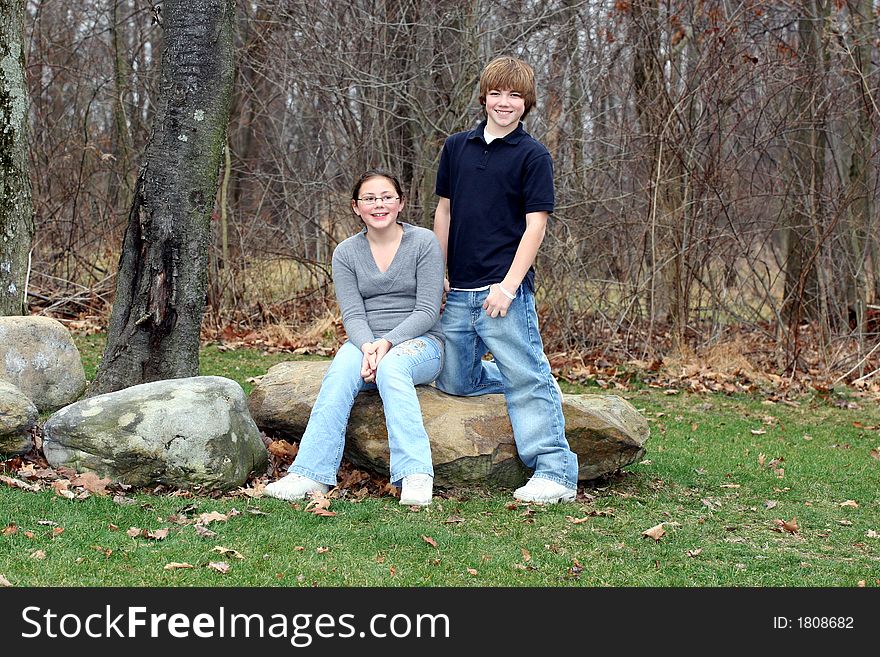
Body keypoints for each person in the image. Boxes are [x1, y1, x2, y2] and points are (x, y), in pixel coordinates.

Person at [433, 55, 579, 504]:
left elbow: (536, 226)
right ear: (484, 97)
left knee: (526, 379)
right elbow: (444, 211)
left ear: (526, 103)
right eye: (496, 93)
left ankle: (555, 471)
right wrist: (439, 272)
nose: (504, 102)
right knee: (455, 382)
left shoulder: (533, 155)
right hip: (458, 290)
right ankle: (532, 373)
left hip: (502, 291)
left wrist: (509, 286)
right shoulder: (457, 147)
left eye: (515, 95)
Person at [265, 169, 445, 506]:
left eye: (387, 197)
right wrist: (367, 346)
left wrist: (386, 344)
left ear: (401, 203)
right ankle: (312, 474)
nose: (379, 205)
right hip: (365, 342)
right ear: (355, 207)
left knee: (392, 368)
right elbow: (353, 315)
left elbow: (427, 311)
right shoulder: (346, 253)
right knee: (338, 372)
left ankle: (417, 474)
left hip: (421, 343)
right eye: (370, 199)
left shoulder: (423, 243)